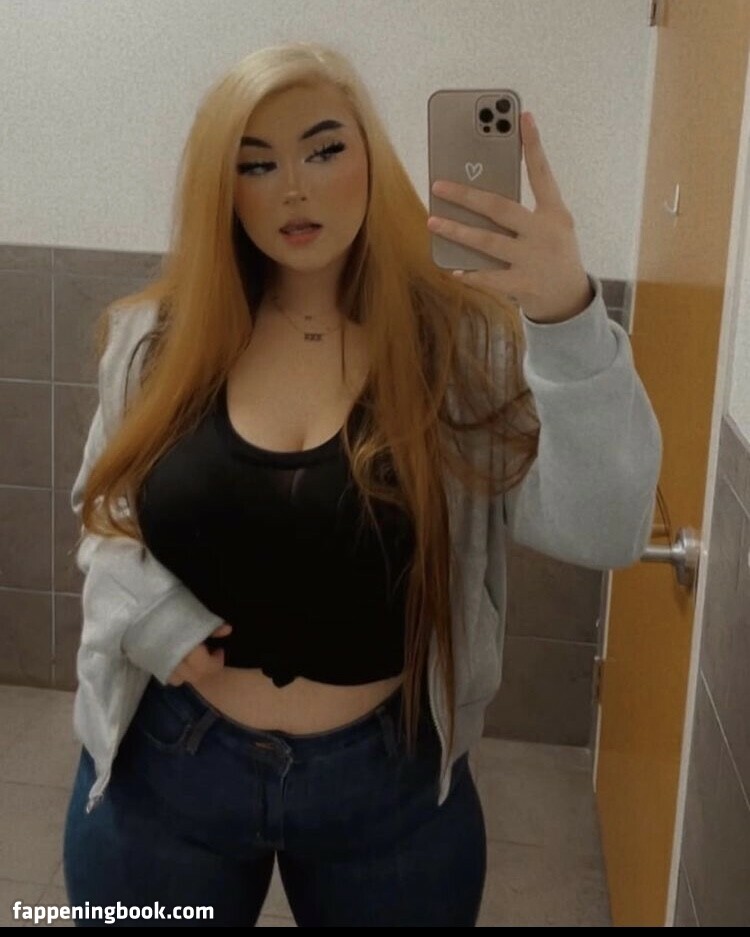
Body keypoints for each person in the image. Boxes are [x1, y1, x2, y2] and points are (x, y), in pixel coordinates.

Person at [62, 41, 662, 928]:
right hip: (167, 770)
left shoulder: (463, 347)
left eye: (324, 149)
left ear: (373, 159)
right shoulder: (158, 339)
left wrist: (568, 316)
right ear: (221, 188)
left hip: (389, 788)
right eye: (256, 163)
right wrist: (148, 616)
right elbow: (105, 513)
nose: (293, 189)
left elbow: (606, 527)